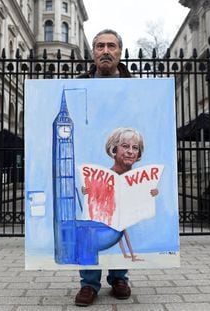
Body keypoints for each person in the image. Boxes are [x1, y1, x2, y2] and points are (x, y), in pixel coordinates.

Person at [75, 29, 132, 307]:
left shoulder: (136, 86)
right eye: (100, 46)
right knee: (92, 218)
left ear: (120, 51)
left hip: (122, 163)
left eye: (111, 45)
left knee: (120, 218)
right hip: (91, 160)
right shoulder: (78, 85)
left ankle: (120, 277)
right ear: (93, 52)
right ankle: (89, 282)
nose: (105, 50)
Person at [77, 127, 158, 306]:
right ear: (114, 149)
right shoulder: (104, 176)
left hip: (124, 223)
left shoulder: (140, 179)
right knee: (88, 236)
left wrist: (151, 193)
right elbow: (90, 198)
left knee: (122, 231)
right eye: (125, 146)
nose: (130, 151)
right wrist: (87, 191)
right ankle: (89, 284)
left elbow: (143, 203)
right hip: (103, 225)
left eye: (135, 148)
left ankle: (119, 278)